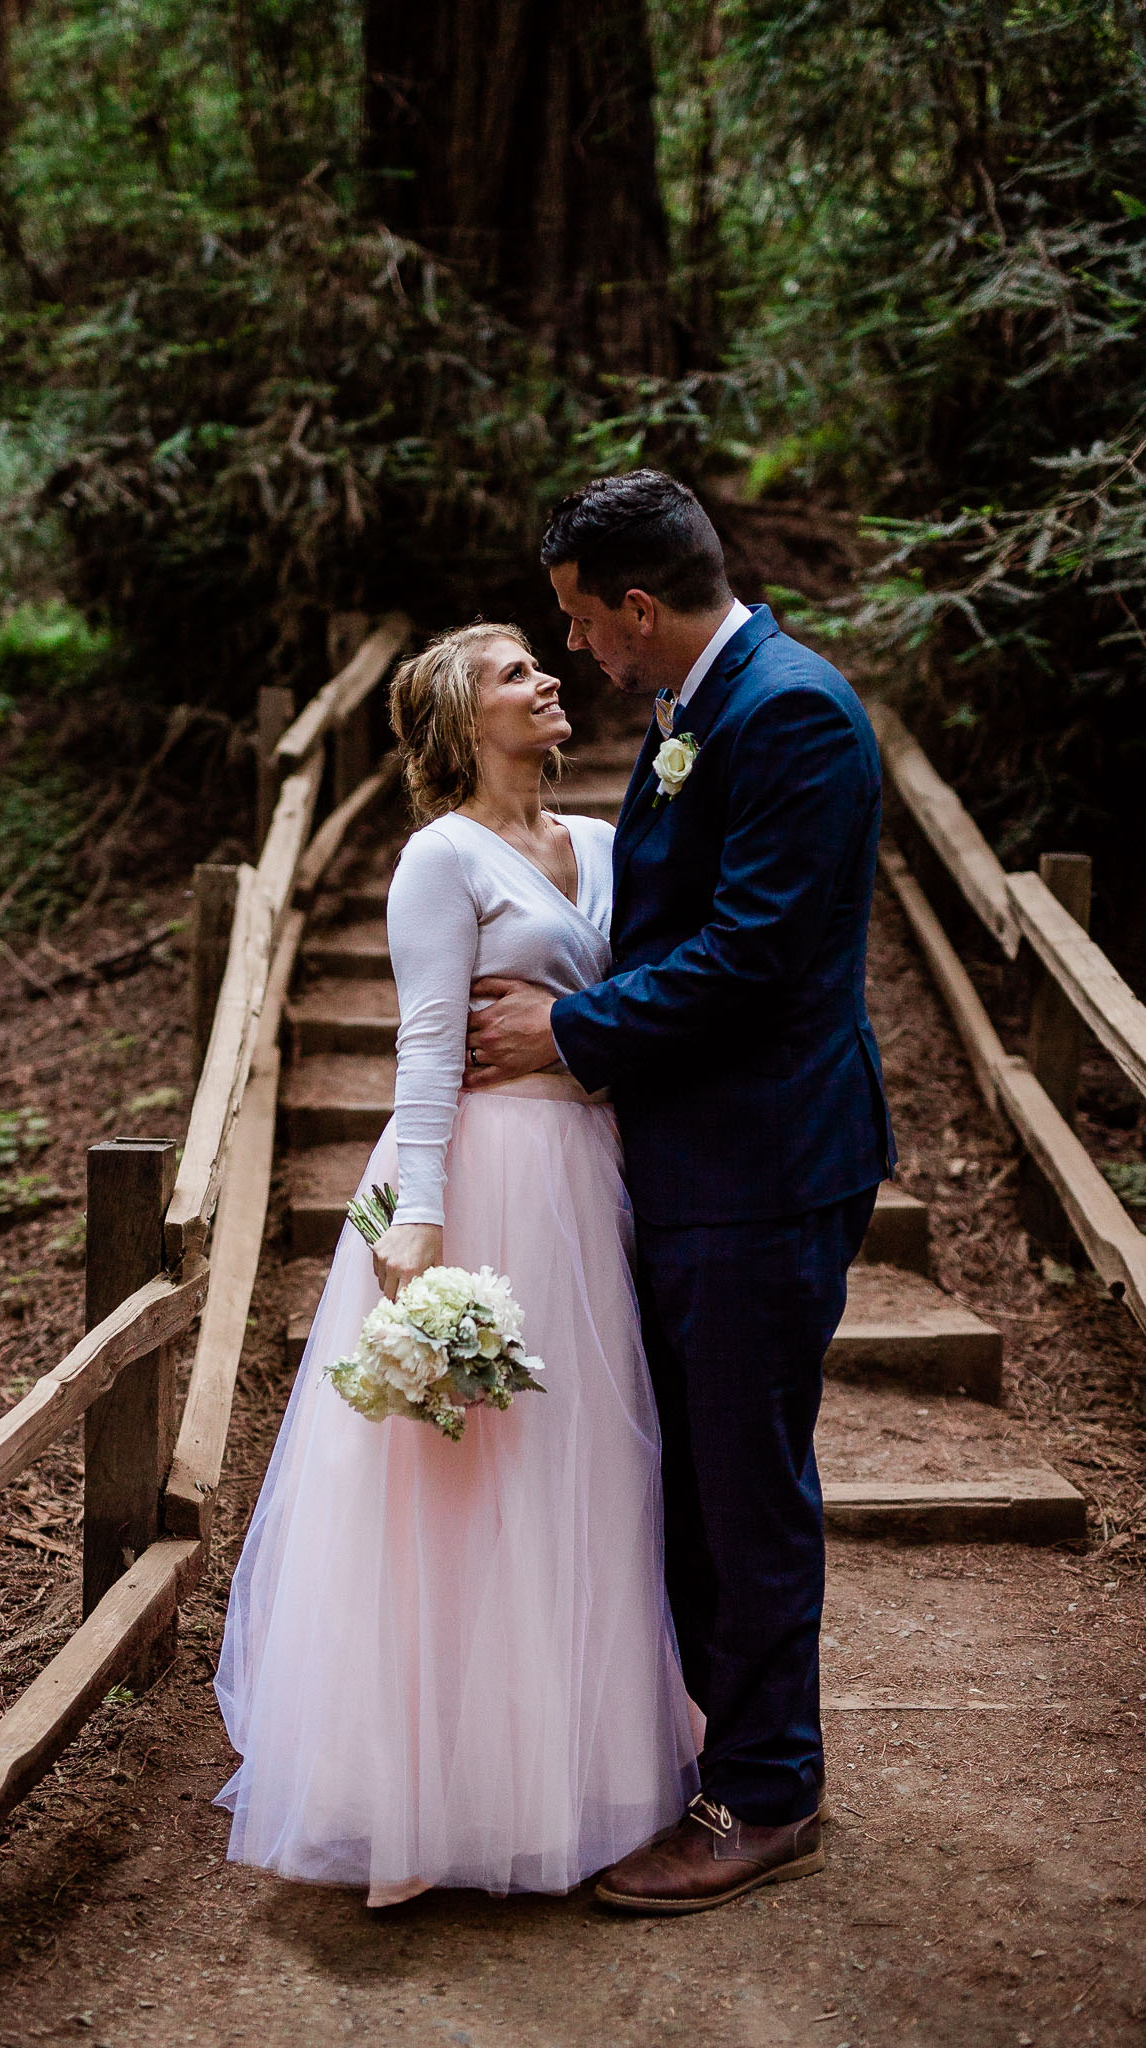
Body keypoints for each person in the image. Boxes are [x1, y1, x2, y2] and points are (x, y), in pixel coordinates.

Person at [212, 621, 697, 1908]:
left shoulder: (602, 842)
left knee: (588, 1460)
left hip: (588, 1178)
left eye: (544, 661)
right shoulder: (438, 856)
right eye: (512, 673)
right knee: (457, 1479)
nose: (546, 681)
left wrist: (580, 1055)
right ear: (455, 719)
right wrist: (413, 1226)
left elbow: (629, 1010)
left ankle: (572, 1770)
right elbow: (426, 1048)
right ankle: (424, 1790)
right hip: (478, 1182)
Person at [465, 469, 895, 1913]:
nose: (575, 649)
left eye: (581, 621)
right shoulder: (697, 707)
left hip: (765, 1169)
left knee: (740, 1487)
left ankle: (766, 1794)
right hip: (695, 1159)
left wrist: (566, 1033)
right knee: (696, 1485)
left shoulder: (791, 716)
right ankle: (718, 1745)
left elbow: (757, 958)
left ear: (637, 608)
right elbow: (658, 906)